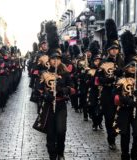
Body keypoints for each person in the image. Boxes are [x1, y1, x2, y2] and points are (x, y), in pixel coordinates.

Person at [38, 21, 75, 160]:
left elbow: (72, 89)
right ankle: (52, 155)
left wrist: (62, 89)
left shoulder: (65, 73)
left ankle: (61, 151)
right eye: (52, 59)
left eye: (57, 59)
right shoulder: (44, 73)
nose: (55, 61)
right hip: (48, 106)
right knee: (51, 133)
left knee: (61, 131)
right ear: (50, 60)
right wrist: (45, 94)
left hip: (60, 105)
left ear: (60, 60)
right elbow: (38, 90)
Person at [113, 30, 137, 160]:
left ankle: (134, 154)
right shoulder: (120, 79)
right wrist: (127, 100)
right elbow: (116, 93)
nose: (133, 69)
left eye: (135, 66)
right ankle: (125, 155)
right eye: (131, 66)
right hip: (124, 110)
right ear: (126, 67)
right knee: (124, 135)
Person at [95, 19, 123, 150]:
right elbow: (99, 79)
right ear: (108, 50)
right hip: (107, 94)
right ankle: (111, 139)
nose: (115, 51)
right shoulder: (103, 63)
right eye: (112, 49)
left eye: (116, 48)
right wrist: (110, 79)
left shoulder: (123, 62)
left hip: (121, 94)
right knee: (109, 118)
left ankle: (116, 135)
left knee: (120, 118)